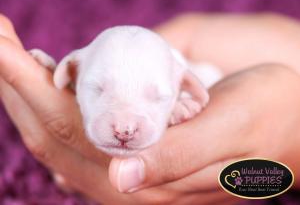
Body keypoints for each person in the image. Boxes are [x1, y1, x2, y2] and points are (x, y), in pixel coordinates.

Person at [0, 13, 300, 205]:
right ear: (72, 70)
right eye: (97, 88)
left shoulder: (199, 76)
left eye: (158, 97)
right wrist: (52, 81)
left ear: (187, 87)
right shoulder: (89, 64)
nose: (125, 127)